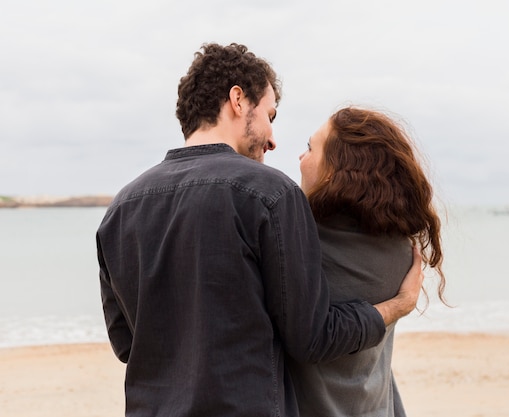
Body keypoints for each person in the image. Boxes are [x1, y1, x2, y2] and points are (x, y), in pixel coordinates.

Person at [96, 43, 423, 417]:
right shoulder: (271, 193)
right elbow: (312, 338)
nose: (272, 138)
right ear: (237, 99)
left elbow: (126, 345)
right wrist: (397, 306)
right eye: (270, 114)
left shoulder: (119, 210)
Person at [288, 106, 447, 417]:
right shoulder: (400, 250)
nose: (300, 157)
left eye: (310, 148)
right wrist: (400, 304)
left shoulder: (302, 245)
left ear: (334, 171)